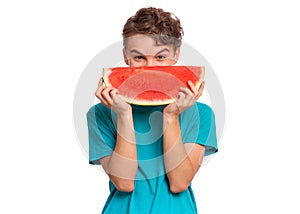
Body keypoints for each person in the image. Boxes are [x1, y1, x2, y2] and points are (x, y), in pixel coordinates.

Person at [87, 7, 218, 214]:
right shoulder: (100, 114)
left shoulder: (201, 114)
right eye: (138, 57)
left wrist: (171, 116)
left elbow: (179, 183)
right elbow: (124, 183)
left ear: (176, 55)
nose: (150, 67)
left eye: (160, 57)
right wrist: (123, 115)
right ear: (125, 56)